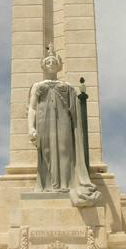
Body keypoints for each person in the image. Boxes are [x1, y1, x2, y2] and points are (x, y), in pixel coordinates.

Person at [28, 44, 100, 206]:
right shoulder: (37, 86)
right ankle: (48, 185)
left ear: (59, 65)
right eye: (48, 62)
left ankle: (66, 185)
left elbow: (75, 110)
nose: (51, 64)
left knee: (64, 150)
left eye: (54, 61)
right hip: (43, 121)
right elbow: (32, 108)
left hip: (63, 122)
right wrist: (31, 128)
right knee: (46, 151)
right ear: (43, 65)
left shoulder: (67, 87)